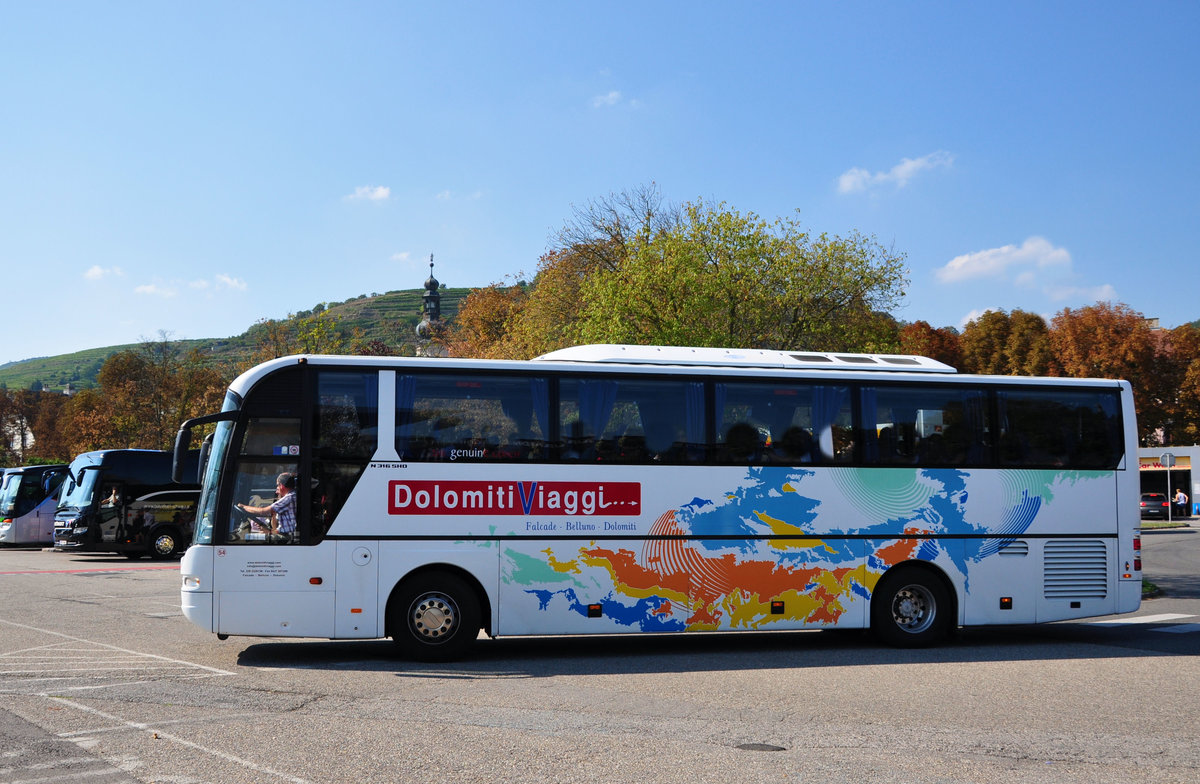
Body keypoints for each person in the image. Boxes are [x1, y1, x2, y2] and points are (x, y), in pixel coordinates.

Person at [237, 472, 297, 540]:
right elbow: (278, 529)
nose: (277, 489)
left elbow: (263, 511)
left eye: (277, 485)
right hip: (283, 535)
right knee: (252, 536)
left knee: (247, 538)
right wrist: (268, 531)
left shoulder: (290, 497)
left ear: (281, 486)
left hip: (288, 537)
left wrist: (244, 507)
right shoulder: (291, 497)